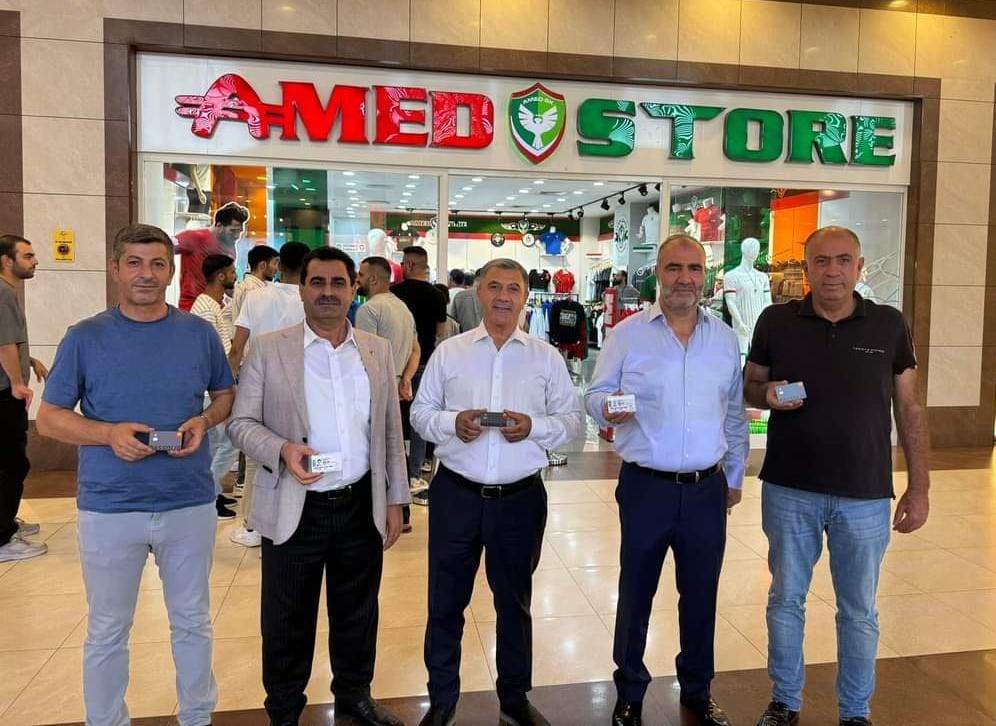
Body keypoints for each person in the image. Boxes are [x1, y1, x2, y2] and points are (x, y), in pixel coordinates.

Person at [37, 223, 235, 726]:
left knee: (192, 621)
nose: (146, 274)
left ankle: (197, 717)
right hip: (110, 506)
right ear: (115, 269)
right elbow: (50, 418)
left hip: (187, 500)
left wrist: (205, 420)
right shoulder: (84, 337)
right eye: (134, 263)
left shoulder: (198, 334)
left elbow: (224, 395)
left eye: (157, 264)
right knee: (107, 628)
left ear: (171, 272)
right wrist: (108, 434)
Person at [744, 226, 930, 726]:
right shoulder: (776, 321)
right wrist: (767, 396)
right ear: (806, 269)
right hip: (789, 489)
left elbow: (910, 407)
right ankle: (785, 701)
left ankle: (854, 712)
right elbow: (750, 386)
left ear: (859, 267)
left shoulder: (888, 324)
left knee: (859, 610)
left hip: (865, 495)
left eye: (843, 260)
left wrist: (919, 486)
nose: (832, 271)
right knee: (786, 599)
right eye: (821, 261)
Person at [227, 246, 409, 726]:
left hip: (359, 504)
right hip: (295, 506)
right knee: (286, 619)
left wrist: (396, 499)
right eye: (318, 282)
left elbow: (390, 431)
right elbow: (240, 424)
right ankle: (284, 710)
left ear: (354, 288)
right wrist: (283, 449)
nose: (328, 292)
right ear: (302, 289)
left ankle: (354, 697)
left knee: (358, 612)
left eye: (338, 283)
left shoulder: (376, 349)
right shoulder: (270, 349)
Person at [411, 258, 584, 726]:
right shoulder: (451, 352)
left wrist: (533, 427)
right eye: (494, 287)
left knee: (514, 604)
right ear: (478, 294)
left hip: (520, 501)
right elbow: (420, 414)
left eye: (512, 288)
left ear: (525, 296)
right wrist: (453, 423)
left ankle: (514, 699)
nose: (503, 296)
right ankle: (442, 701)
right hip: (456, 496)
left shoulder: (545, 357)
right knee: (445, 603)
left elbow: (572, 423)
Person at [586, 234, 749, 726]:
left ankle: (697, 690)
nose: (684, 278)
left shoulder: (723, 339)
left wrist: (734, 477)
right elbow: (595, 394)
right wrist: (608, 407)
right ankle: (630, 691)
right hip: (646, 487)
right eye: (674, 268)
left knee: (700, 594)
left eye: (694, 269)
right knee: (636, 592)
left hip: (706, 489)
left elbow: (734, 415)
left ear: (705, 277)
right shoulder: (627, 335)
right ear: (657, 273)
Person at [226, 241, 309, 548]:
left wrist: (229, 385)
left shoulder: (256, 297)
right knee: (298, 451)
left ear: (279, 265)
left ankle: (254, 526)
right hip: (301, 386)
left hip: (257, 381)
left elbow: (237, 346)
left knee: (257, 453)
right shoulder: (308, 299)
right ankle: (294, 521)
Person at [356, 255, 421, 533]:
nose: (357, 279)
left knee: (376, 451)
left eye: (360, 274)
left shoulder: (369, 309)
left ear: (373, 278)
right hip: (395, 386)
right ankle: (402, 513)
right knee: (395, 448)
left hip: (375, 388)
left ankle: (379, 511)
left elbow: (365, 356)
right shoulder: (402, 307)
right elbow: (416, 349)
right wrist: (405, 378)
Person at [0, 234, 47, 562]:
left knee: (10, 462)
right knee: (11, 464)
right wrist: (18, 383)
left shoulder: (7, 291)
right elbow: (4, 345)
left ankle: (7, 522)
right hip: (4, 394)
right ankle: (3, 537)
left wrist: (28, 360)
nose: (34, 261)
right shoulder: (3, 293)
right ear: (7, 260)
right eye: (27, 256)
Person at [391, 245, 447, 488]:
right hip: (425, 363)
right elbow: (440, 333)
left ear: (410, 265)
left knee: (394, 418)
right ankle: (415, 472)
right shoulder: (436, 295)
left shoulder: (394, 293)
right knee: (420, 419)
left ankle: (395, 471)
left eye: (403, 263)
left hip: (396, 364)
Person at [191, 253, 240, 519]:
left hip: (216, 387)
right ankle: (208, 494)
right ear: (221, 276)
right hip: (213, 390)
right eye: (232, 272)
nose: (235, 276)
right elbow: (210, 354)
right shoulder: (206, 309)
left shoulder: (212, 305)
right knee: (227, 442)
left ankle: (213, 492)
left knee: (218, 444)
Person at [175, 201, 249, 311]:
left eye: (240, 232)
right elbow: (163, 246)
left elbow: (227, 284)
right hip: (193, 307)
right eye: (233, 231)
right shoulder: (195, 238)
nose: (237, 236)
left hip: (215, 307)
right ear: (219, 225)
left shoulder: (231, 249)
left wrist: (248, 300)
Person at [230, 243, 279, 324]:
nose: (277, 269)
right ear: (263, 265)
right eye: (274, 263)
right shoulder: (251, 290)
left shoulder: (256, 287)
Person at [449, 267, 484, 333]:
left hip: (463, 336)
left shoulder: (460, 296)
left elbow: (453, 321)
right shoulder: (492, 297)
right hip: (486, 336)